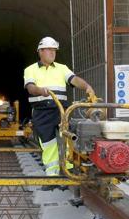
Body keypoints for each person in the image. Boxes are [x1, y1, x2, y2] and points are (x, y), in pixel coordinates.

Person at [23, 37, 95, 176]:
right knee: (48, 143)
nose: (52, 53)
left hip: (61, 111)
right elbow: (30, 88)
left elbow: (74, 79)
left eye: (54, 50)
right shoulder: (30, 70)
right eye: (49, 50)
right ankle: (52, 175)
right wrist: (40, 90)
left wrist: (86, 86)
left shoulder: (62, 68)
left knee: (67, 139)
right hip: (41, 111)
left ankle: (69, 170)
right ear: (40, 52)